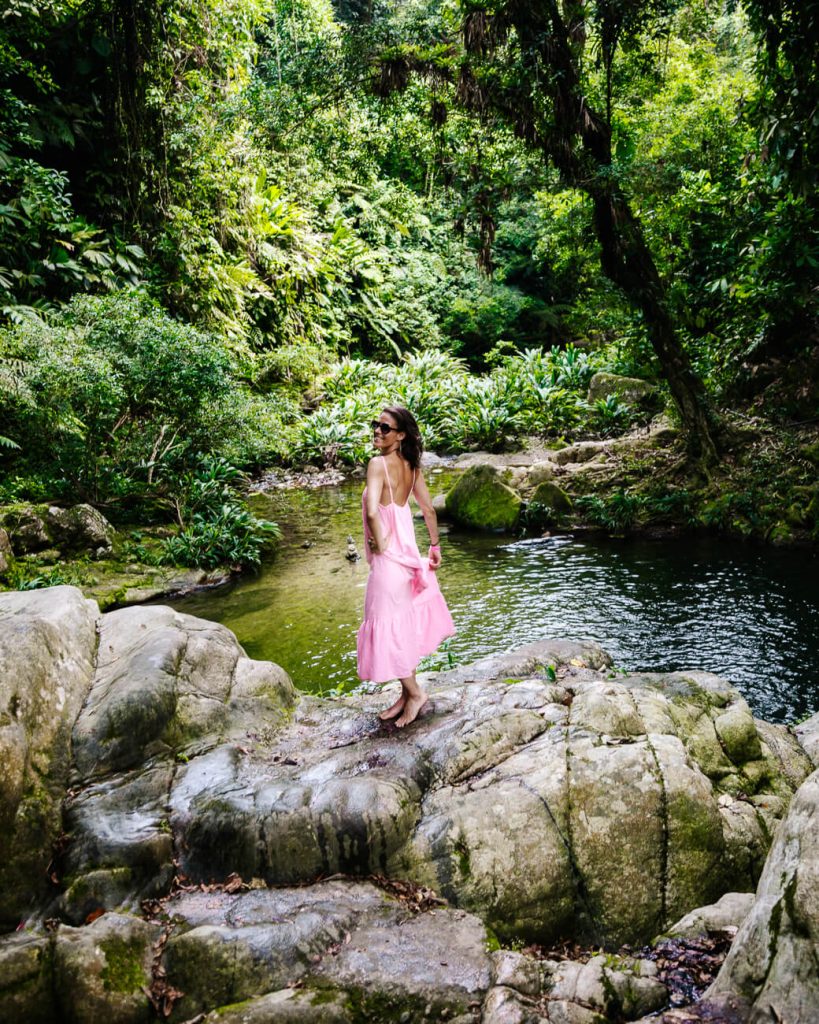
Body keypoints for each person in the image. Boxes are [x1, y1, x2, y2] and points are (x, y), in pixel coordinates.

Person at [356, 406, 455, 727]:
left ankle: (415, 693)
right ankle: (405, 693)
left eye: (384, 427)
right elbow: (428, 509)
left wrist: (379, 541)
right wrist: (435, 546)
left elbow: (372, 510)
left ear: (400, 435)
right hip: (409, 558)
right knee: (397, 625)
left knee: (385, 625)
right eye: (376, 425)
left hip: (389, 562)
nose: (377, 431)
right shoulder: (411, 467)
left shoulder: (377, 464)